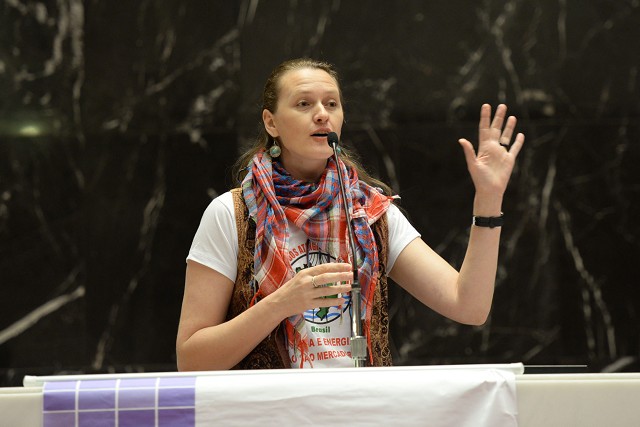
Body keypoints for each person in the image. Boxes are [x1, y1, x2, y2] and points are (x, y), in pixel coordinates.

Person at [176, 58, 524, 371]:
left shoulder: (371, 213)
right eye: (303, 104)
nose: (322, 114)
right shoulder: (233, 214)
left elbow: (469, 306)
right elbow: (192, 359)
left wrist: (488, 199)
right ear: (271, 122)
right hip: (270, 411)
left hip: (359, 407)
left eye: (332, 104)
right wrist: (281, 303)